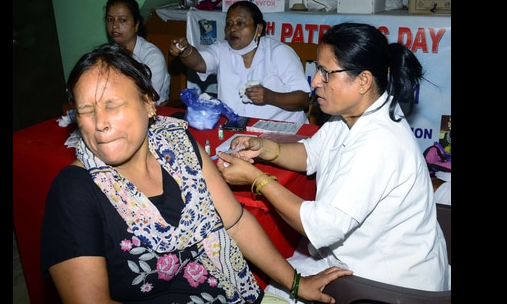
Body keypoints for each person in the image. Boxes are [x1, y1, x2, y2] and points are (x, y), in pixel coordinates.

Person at [40, 43, 353, 304]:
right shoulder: (74, 191)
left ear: (149, 104)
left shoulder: (180, 146)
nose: (100, 122)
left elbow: (236, 222)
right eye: (86, 110)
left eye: (112, 104)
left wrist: (297, 283)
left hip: (235, 294)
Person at [214, 22, 451, 302]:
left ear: (363, 81)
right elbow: (311, 154)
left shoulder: (379, 143)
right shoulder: (355, 114)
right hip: (368, 257)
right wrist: (264, 147)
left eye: (326, 73)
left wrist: (257, 179)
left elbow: (320, 226)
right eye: (317, 70)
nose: (314, 81)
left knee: (263, 289)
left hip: (390, 284)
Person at [168, 0, 311, 124]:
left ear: (259, 29)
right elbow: (199, 62)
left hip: (281, 132)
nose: (233, 28)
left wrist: (270, 97)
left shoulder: (279, 52)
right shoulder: (221, 50)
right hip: (236, 130)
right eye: (229, 24)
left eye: (240, 23)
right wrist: (185, 50)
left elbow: (302, 99)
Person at [105, 0, 170, 106]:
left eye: (122, 20)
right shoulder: (109, 54)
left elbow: (149, 98)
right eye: (110, 20)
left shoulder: (152, 56)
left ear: (136, 25)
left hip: (154, 113)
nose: (115, 26)